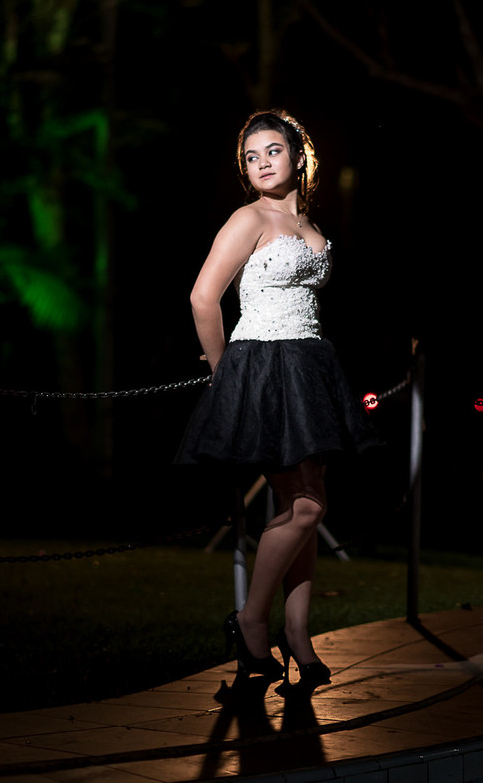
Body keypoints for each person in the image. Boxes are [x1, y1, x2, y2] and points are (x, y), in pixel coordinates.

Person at [176, 109, 377, 691]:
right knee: (306, 507)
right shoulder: (249, 218)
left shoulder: (307, 222)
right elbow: (203, 298)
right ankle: (250, 621)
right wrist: (226, 375)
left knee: (307, 504)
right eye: (251, 156)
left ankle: (299, 639)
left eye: (273, 151)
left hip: (309, 366)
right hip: (264, 366)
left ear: (298, 155)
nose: (262, 163)